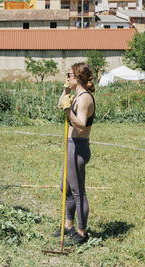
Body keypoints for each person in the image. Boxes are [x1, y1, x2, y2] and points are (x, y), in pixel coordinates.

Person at [56, 62, 96, 245]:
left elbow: (80, 126)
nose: (66, 78)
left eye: (69, 75)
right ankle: (68, 225)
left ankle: (81, 232)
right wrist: (65, 92)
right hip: (71, 145)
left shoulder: (85, 98)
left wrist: (67, 110)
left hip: (79, 146)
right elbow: (59, 105)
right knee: (66, 187)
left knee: (78, 191)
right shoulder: (76, 95)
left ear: (78, 77)